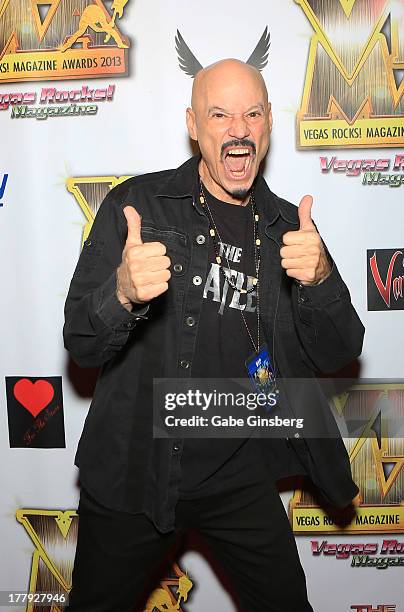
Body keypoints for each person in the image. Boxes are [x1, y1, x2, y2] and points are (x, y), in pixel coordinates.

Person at [64, 59, 364, 611]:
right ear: (194, 125)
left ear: (269, 123)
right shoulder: (138, 207)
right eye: (219, 114)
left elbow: (342, 351)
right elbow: (80, 340)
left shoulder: (287, 228)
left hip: (238, 474)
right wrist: (123, 294)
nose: (238, 128)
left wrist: (319, 279)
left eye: (252, 113)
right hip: (134, 472)